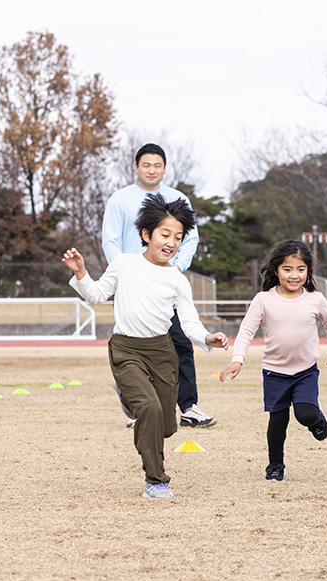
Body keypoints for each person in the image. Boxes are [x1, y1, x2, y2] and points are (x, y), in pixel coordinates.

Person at [63, 194, 229, 499]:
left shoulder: (178, 280)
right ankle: (156, 481)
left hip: (162, 353)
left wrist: (208, 337)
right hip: (126, 349)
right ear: (146, 235)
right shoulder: (124, 263)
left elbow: (189, 322)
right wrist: (80, 272)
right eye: (165, 234)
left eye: (178, 237)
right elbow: (98, 295)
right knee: (150, 410)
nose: (171, 242)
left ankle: (129, 398)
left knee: (165, 425)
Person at [102, 143, 215, 428]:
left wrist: (177, 267)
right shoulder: (120, 199)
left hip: (165, 282)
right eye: (146, 165)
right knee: (139, 343)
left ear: (165, 169)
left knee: (179, 342)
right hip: (133, 285)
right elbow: (110, 240)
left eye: (157, 165)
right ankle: (138, 402)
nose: (152, 170)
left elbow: (190, 239)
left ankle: (189, 406)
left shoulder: (178, 199)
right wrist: (126, 275)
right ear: (136, 167)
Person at [219, 240, 327, 482]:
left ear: (308, 272)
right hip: (274, 373)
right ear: (276, 270)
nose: (294, 275)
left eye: (300, 269)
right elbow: (245, 332)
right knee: (278, 421)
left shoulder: (315, 299)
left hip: (306, 371)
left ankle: (317, 418)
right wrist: (237, 360)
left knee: (305, 414)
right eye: (287, 269)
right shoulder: (263, 299)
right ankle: (275, 466)